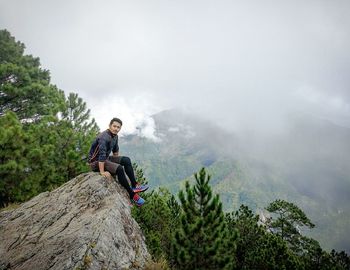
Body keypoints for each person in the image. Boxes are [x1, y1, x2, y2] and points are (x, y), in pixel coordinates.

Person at [88, 117, 148, 206]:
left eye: (118, 127)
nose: (116, 129)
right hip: (96, 162)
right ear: (110, 126)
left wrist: (115, 163)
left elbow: (115, 151)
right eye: (114, 126)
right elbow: (101, 155)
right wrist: (102, 172)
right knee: (119, 169)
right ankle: (132, 195)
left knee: (126, 160)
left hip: (106, 159)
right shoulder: (104, 137)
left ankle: (135, 185)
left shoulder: (115, 136)